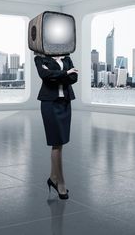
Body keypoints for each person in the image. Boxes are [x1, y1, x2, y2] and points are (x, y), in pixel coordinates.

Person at [34, 53, 78, 200]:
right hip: (49, 103)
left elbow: (74, 78)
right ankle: (61, 183)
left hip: (65, 102)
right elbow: (44, 76)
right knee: (56, 143)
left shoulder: (66, 58)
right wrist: (65, 73)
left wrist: (55, 75)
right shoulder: (40, 58)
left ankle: (53, 178)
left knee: (60, 144)